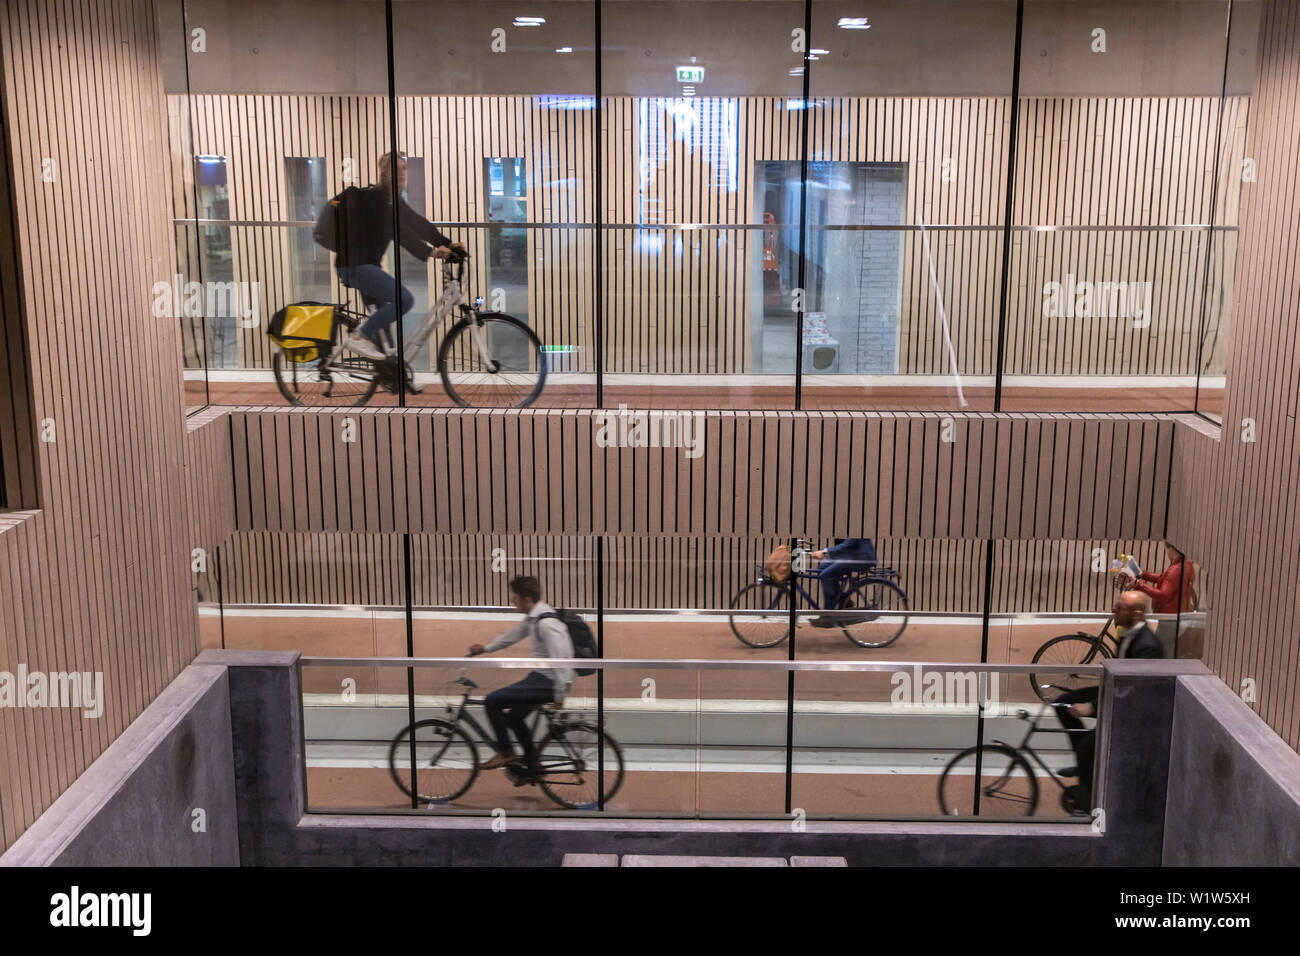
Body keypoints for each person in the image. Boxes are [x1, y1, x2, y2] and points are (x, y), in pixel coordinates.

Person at [330, 151, 463, 373]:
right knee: (404, 300)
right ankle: (359, 336)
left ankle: (395, 377)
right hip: (354, 266)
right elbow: (400, 232)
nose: (402, 173)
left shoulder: (392, 199)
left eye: (404, 168)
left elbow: (417, 223)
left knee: (386, 335)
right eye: (397, 169)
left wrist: (448, 244)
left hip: (367, 266)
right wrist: (430, 252)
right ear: (385, 172)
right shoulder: (377, 199)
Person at [1053, 589, 1166, 807]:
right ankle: (1084, 764)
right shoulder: (1128, 632)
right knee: (1062, 702)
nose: (1114, 609)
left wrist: (1092, 708)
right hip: (1118, 692)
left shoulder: (1147, 647)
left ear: (1137, 614)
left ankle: (1089, 801)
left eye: (1120, 607)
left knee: (1088, 747)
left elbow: (1134, 694)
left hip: (1133, 709)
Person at [467, 576, 574, 772]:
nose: (512, 601)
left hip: (547, 682)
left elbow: (562, 660)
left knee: (492, 701)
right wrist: (486, 648)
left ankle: (506, 752)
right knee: (513, 718)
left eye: (514, 598)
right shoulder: (535, 618)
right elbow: (513, 636)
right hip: (540, 678)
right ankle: (533, 764)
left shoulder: (546, 623)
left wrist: (560, 695)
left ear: (527, 599)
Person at [809, 538, 877, 627]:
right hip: (849, 556)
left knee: (825, 575)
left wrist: (824, 552)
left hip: (860, 557)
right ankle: (842, 600)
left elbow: (847, 544)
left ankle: (828, 615)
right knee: (821, 569)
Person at [1132, 541, 1196, 614]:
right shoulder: (1186, 564)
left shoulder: (1176, 568)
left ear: (1171, 548)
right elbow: (1165, 578)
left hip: (1168, 617)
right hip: (1176, 614)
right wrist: (1141, 574)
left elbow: (1163, 595)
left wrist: (1138, 584)